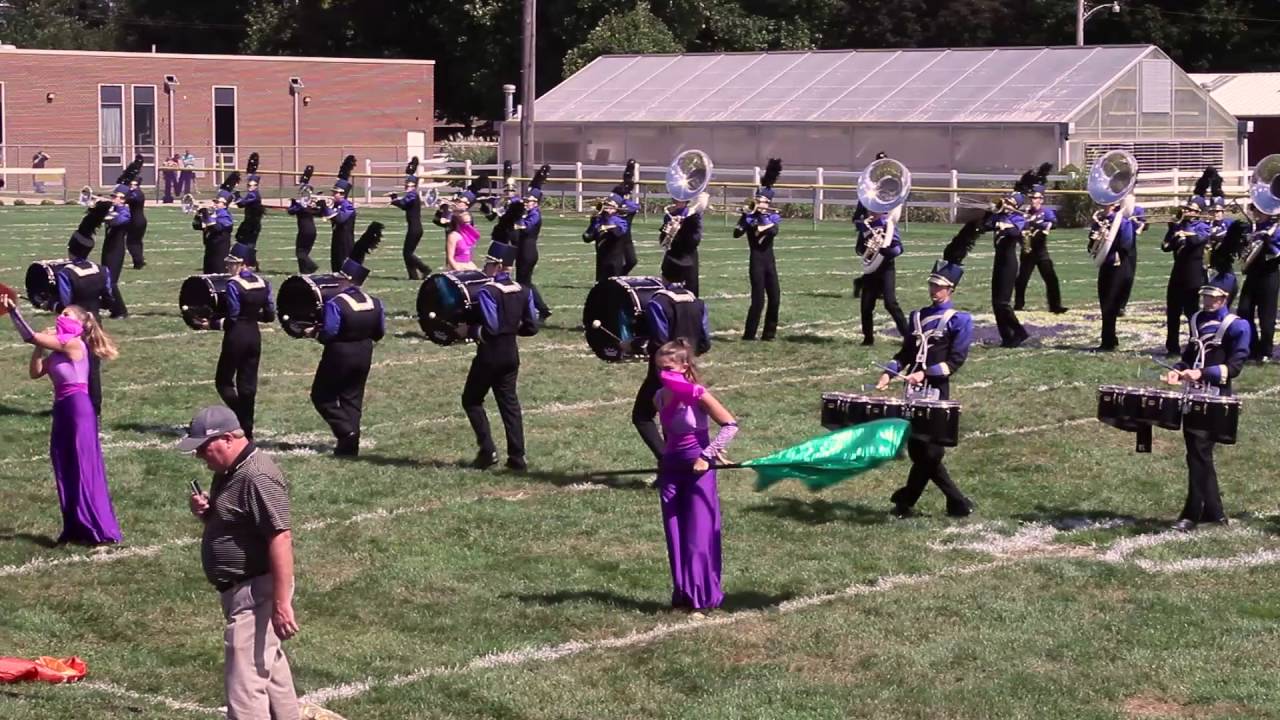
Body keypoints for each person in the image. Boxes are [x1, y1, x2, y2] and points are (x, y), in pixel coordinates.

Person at [178, 405, 300, 720]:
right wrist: (208, 513)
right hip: (245, 591)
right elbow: (237, 525)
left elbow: (280, 538)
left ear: (229, 438)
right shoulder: (230, 471)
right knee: (271, 676)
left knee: (244, 691)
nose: (200, 457)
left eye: (204, 448)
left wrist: (282, 601)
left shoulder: (256, 475)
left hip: (256, 591)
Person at [876, 222, 978, 518]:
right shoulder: (917, 316)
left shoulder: (959, 320)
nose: (934, 290)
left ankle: (941, 500)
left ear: (951, 289)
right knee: (922, 452)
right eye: (932, 285)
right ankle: (918, 502)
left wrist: (925, 373)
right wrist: (890, 371)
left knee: (929, 452)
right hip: (911, 390)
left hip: (936, 391)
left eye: (940, 287)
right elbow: (906, 352)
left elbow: (955, 361)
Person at [3, 296, 122, 545]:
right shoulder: (59, 348)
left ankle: (96, 528)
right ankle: (74, 527)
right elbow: (35, 372)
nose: (60, 317)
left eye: (66, 315)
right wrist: (39, 348)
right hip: (62, 408)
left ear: (79, 322)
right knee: (63, 463)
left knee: (81, 465)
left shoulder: (74, 344)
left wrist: (15, 312)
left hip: (78, 408)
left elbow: (30, 335)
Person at [652, 339, 738, 613]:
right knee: (675, 533)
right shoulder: (659, 396)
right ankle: (683, 594)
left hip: (698, 469)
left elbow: (730, 425)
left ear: (684, 367)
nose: (663, 373)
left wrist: (708, 454)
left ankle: (703, 599)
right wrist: (665, 461)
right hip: (672, 469)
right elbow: (669, 435)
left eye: (668, 368)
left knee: (698, 536)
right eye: (659, 369)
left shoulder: (698, 393)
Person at [1163, 268, 1249, 531]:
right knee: (1197, 454)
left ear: (1225, 298)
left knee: (1199, 451)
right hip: (1193, 394)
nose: (1207, 301)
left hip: (1216, 397)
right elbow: (1189, 355)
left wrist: (1202, 373)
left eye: (1213, 297)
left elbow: (1233, 368)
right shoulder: (1197, 318)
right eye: (1206, 295)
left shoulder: (1237, 325)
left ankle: (1191, 514)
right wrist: (1177, 370)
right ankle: (1215, 513)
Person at [462, 241, 540, 470]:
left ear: (497, 266)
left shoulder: (488, 291)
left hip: (490, 354)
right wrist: (513, 329)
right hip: (511, 354)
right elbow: (532, 326)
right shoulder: (524, 290)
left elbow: (491, 327)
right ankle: (517, 456)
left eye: (488, 263)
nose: (485, 268)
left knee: (472, 400)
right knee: (510, 405)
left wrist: (470, 330)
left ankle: (487, 451)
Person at [309, 225, 386, 457]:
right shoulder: (375, 301)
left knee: (322, 396)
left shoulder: (336, 303)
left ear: (348, 280)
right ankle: (349, 447)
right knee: (352, 399)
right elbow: (380, 331)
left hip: (339, 352)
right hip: (365, 351)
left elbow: (330, 331)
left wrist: (315, 334)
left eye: (340, 279)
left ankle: (346, 432)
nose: (337, 282)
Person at [633, 264, 712, 461]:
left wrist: (633, 345)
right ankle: (681, 465)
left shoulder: (658, 302)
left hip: (665, 370)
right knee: (680, 421)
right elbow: (705, 343)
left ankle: (668, 462)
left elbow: (660, 343)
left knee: (642, 417)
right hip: (688, 369)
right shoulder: (698, 302)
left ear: (663, 275)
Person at [203, 243, 275, 440]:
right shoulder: (264, 283)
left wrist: (212, 324)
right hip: (254, 336)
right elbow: (269, 315)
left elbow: (233, 316)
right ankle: (248, 430)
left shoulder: (233, 284)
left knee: (223, 381)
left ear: (243, 264)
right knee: (248, 385)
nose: (228, 267)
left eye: (232, 263)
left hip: (236, 336)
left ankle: (241, 417)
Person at [57, 202, 116, 416]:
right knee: (93, 368)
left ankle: (75, 406)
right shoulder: (102, 270)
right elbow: (108, 297)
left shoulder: (66, 272)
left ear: (71, 250)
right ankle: (95, 409)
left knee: (72, 366)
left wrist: (49, 304)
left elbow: (66, 302)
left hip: (73, 325)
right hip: (95, 323)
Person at [1162, 172, 1214, 355]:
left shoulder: (1203, 226)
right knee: (1173, 312)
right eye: (1186, 208)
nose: (1187, 212)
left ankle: (1194, 345)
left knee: (1192, 313)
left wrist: (1185, 229)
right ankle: (1172, 346)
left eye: (1191, 209)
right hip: (1177, 273)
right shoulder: (1180, 226)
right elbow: (1166, 247)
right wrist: (1171, 230)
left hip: (1193, 275)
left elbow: (1196, 242)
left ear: (1198, 212)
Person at [736, 158, 782, 341]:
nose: (760, 203)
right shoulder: (749, 217)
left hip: (770, 261)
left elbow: (773, 231)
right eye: (758, 200)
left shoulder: (773, 217)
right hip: (756, 261)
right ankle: (749, 334)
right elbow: (736, 234)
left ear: (768, 202)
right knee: (758, 301)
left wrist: (763, 220)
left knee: (775, 298)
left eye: (763, 201)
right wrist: (745, 220)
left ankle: (769, 334)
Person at [1013, 166, 1067, 314]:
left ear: (1041, 199)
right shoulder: (1024, 213)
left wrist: (1038, 224)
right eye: (1031, 198)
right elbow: (1019, 227)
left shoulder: (1046, 212)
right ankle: (1018, 305)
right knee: (1021, 280)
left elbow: (1053, 223)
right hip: (1027, 250)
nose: (1033, 200)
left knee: (1051, 279)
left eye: (1036, 198)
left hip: (1041, 250)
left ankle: (1055, 305)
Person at [853, 207, 907, 346]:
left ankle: (908, 336)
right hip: (870, 270)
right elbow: (859, 249)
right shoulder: (866, 225)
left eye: (874, 209)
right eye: (870, 209)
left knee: (890, 303)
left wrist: (885, 249)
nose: (871, 212)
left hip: (886, 269)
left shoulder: (888, 224)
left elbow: (899, 248)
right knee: (866, 306)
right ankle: (868, 339)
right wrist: (867, 246)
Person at [1091, 199, 1139, 351]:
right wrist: (1096, 238)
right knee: (1104, 302)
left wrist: (1109, 242)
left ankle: (1108, 342)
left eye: (1108, 202)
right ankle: (1110, 339)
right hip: (1105, 265)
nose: (1104, 205)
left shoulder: (1123, 222)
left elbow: (1126, 244)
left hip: (1118, 265)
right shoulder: (1100, 221)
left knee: (1111, 304)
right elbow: (1090, 246)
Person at [1236, 200, 1280, 363]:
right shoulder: (1252, 228)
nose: (1256, 214)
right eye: (1254, 210)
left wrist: (1269, 243)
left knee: (1266, 317)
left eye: (1259, 211)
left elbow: (1277, 255)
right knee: (1243, 311)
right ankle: (1253, 348)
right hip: (1252, 275)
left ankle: (1266, 351)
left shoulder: (1275, 229)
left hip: (1269, 276)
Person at [986, 192, 1029, 347]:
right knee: (996, 302)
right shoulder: (999, 216)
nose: (1006, 203)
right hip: (998, 261)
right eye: (1006, 200)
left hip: (1009, 263)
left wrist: (1004, 226)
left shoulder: (1019, 218)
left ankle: (1020, 332)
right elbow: (986, 225)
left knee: (1003, 302)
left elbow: (1015, 232)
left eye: (1010, 202)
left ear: (1016, 206)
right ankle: (1007, 337)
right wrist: (992, 213)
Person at [515, 164, 551, 319]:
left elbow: (525, 228)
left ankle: (541, 309)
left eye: (529, 200)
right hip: (522, 250)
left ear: (535, 202)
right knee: (522, 282)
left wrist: (516, 221)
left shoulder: (535, 215)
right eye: (526, 200)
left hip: (528, 251)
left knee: (525, 283)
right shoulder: (526, 212)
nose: (526, 202)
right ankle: (532, 309)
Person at [390, 158, 432, 280]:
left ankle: (424, 269)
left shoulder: (413, 194)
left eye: (408, 185)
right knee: (406, 253)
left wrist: (395, 200)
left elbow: (403, 204)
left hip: (415, 229)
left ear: (414, 186)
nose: (406, 186)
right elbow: (405, 206)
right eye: (406, 184)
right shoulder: (411, 195)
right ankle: (413, 276)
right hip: (414, 228)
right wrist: (395, 199)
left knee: (407, 253)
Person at [660, 198, 703, 297]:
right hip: (671, 260)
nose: (675, 201)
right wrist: (668, 232)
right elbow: (663, 242)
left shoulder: (693, 217)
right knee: (667, 295)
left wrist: (681, 227)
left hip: (688, 262)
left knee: (690, 295)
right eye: (675, 198)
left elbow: (694, 241)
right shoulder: (668, 216)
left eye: (679, 199)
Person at [102, 181, 133, 319]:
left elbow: (118, 221)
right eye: (114, 196)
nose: (115, 199)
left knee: (112, 281)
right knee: (105, 279)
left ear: (124, 200)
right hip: (107, 248)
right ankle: (113, 309)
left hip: (116, 250)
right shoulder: (111, 209)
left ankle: (121, 310)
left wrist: (109, 213)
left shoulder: (125, 212)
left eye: (118, 197)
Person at [583, 191, 630, 282]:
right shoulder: (599, 220)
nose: (606, 206)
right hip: (601, 262)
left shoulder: (620, 221)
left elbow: (618, 233)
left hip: (615, 263)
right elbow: (587, 238)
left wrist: (607, 224)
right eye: (606, 203)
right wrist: (593, 223)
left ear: (616, 207)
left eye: (610, 204)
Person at [196, 180, 237, 275]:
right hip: (209, 251)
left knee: (219, 278)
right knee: (207, 278)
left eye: (217, 202)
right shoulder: (212, 214)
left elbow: (216, 227)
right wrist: (199, 214)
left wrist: (205, 213)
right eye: (214, 201)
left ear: (225, 204)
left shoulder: (226, 217)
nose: (214, 203)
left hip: (220, 254)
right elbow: (196, 226)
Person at [287, 166, 321, 274]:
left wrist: (296, 203)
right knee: (302, 252)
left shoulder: (303, 206)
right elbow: (291, 211)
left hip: (306, 231)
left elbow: (291, 211)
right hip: (311, 231)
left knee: (301, 253)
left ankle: (312, 267)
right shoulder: (307, 206)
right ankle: (304, 272)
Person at [326, 172, 357, 273]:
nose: (333, 195)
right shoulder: (336, 204)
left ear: (343, 194)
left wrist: (328, 208)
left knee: (343, 265)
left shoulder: (348, 206)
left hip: (345, 240)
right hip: (336, 238)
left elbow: (340, 219)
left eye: (336, 193)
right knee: (335, 264)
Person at [234, 157, 265, 252]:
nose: (250, 187)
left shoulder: (254, 195)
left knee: (249, 246)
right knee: (240, 238)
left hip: (253, 225)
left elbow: (241, 203)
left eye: (252, 185)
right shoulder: (250, 194)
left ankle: (252, 264)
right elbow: (240, 204)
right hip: (247, 222)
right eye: (249, 185)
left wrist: (236, 195)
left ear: (256, 186)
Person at [618, 160, 641, 275]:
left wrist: (630, 169)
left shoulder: (630, 205)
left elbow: (634, 207)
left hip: (627, 239)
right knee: (615, 262)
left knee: (632, 261)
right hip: (616, 236)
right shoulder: (615, 202)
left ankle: (621, 276)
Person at [445, 204, 480, 271]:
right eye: (465, 223)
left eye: (469, 223)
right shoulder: (453, 236)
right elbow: (450, 258)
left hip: (469, 265)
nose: (468, 225)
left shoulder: (468, 235)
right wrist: (457, 270)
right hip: (458, 266)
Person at [125, 170, 148, 270]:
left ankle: (138, 262)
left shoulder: (136, 194)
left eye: (132, 184)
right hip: (141, 220)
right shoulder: (138, 193)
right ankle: (140, 260)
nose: (130, 185)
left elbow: (126, 199)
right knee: (138, 242)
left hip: (136, 221)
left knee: (131, 242)